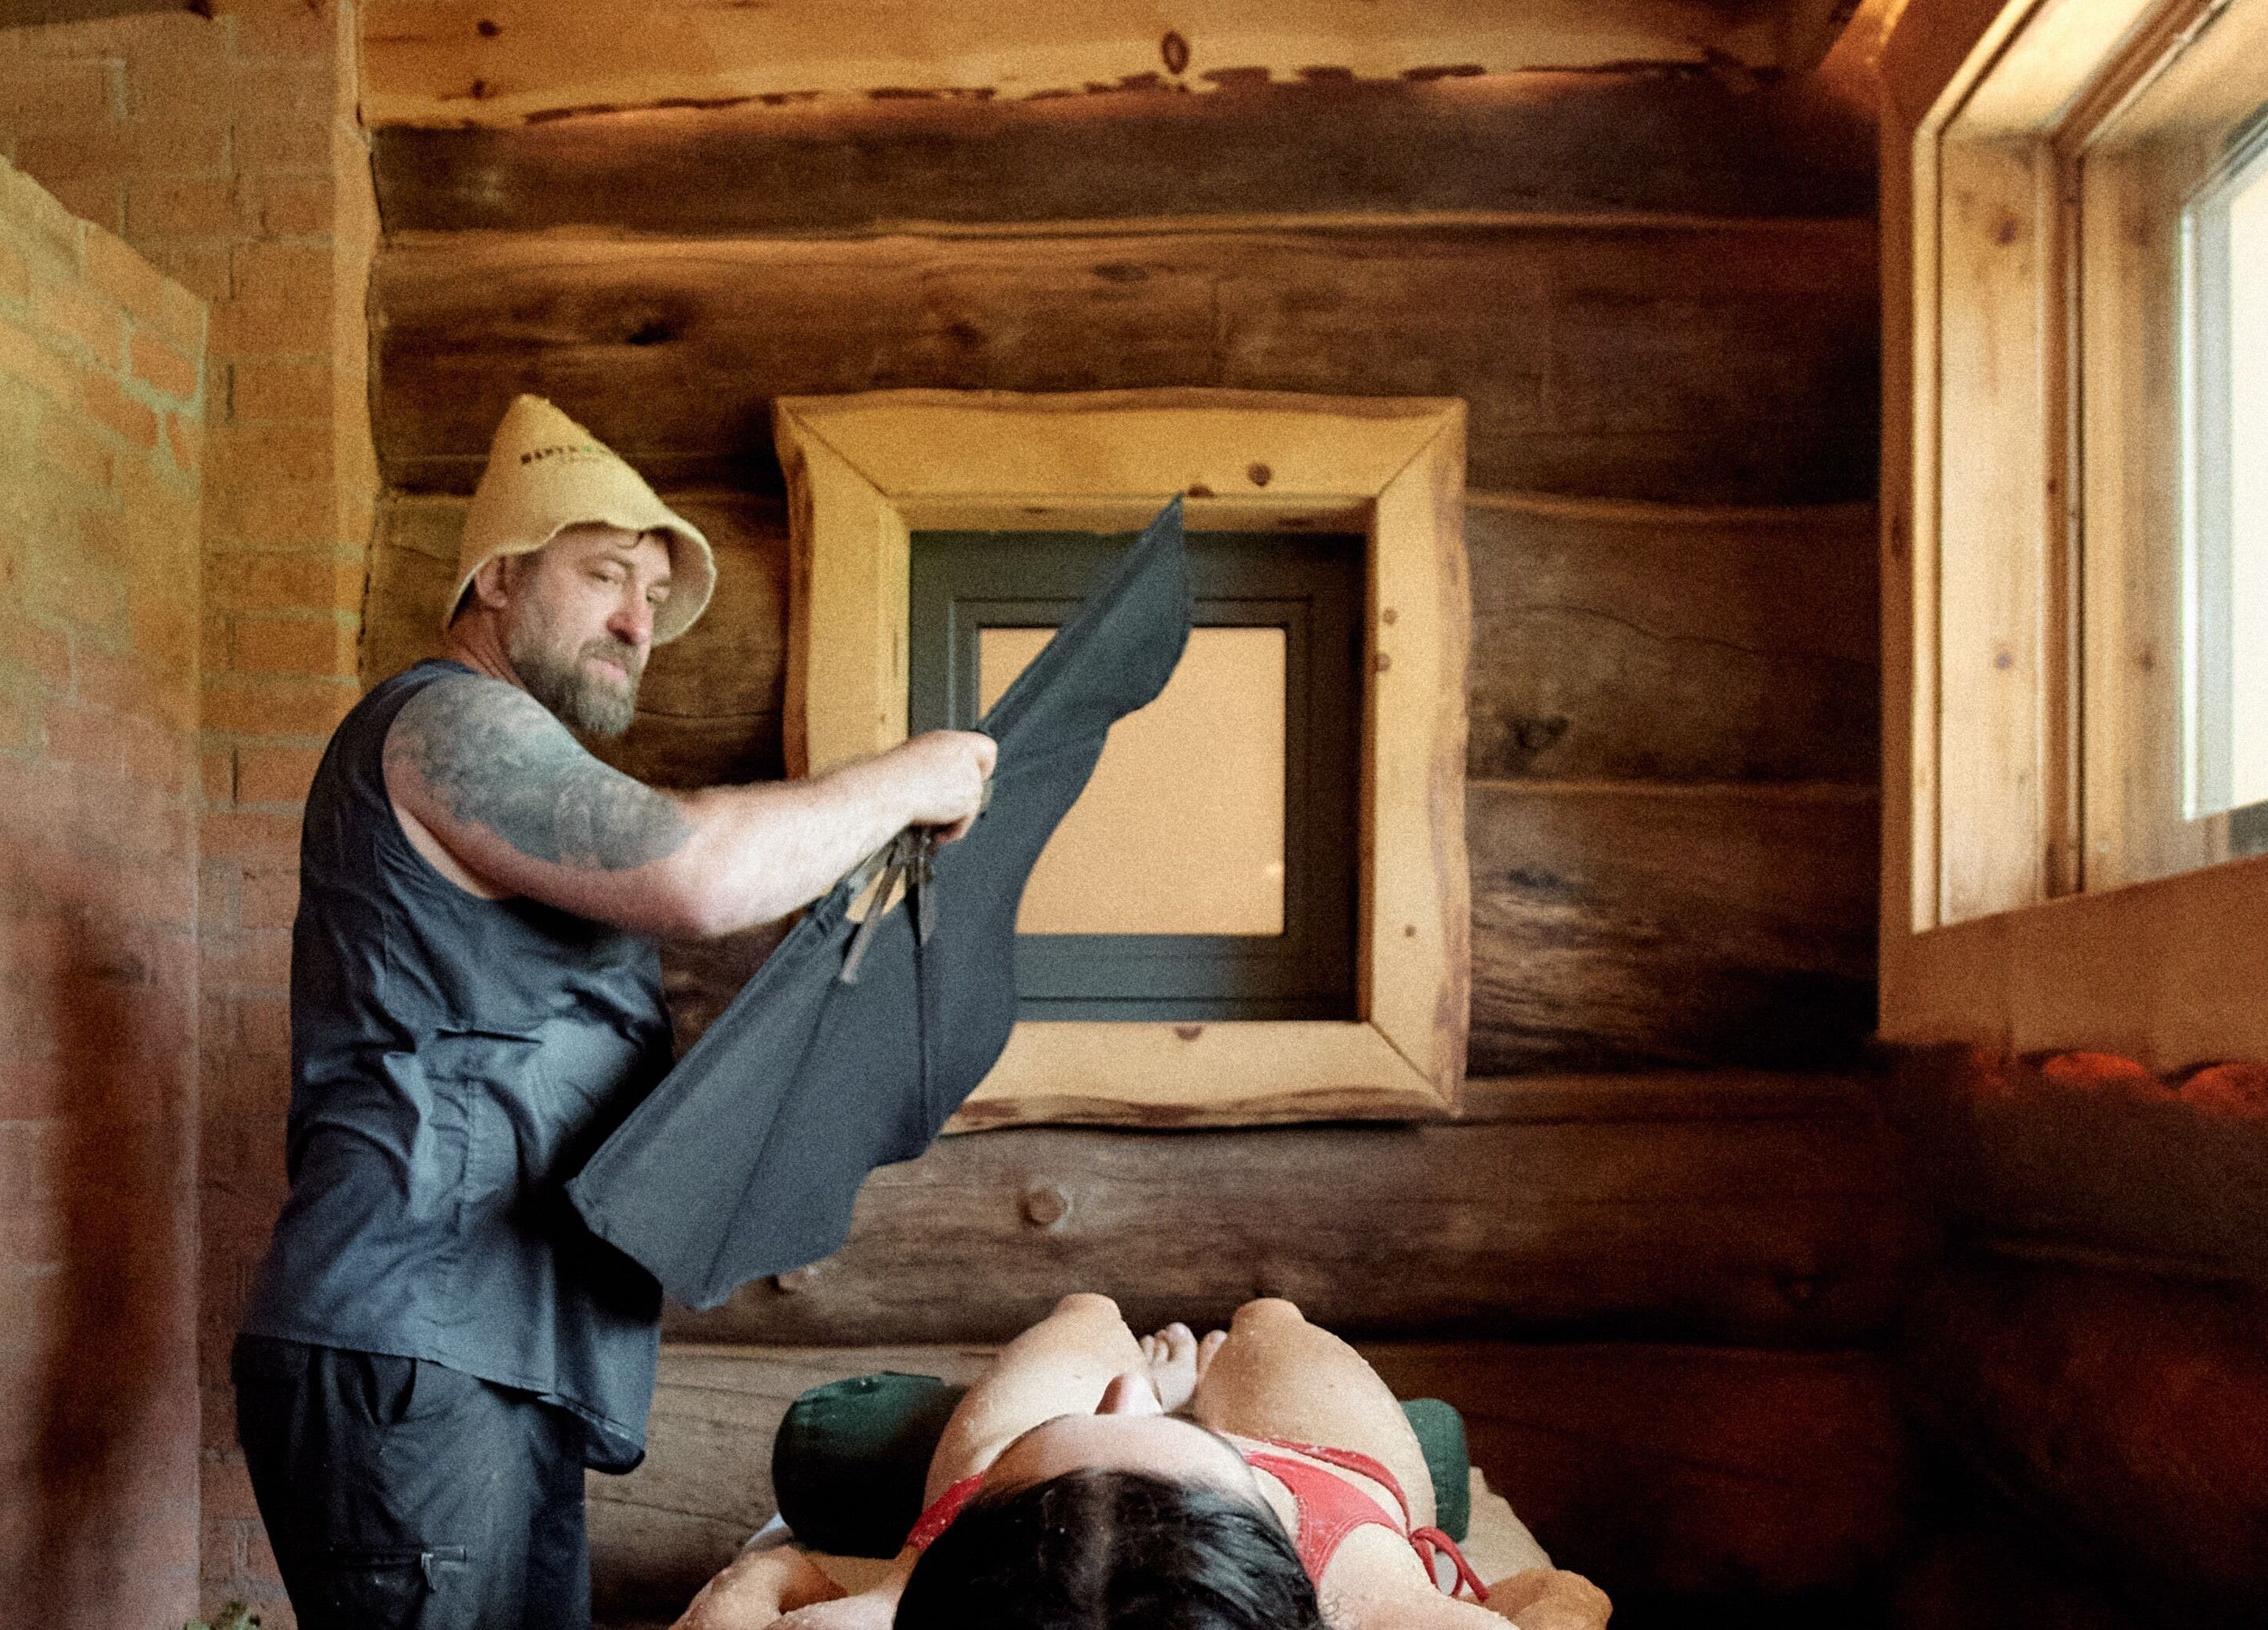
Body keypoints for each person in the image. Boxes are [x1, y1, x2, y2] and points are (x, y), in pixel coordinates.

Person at [228, 395, 998, 1630]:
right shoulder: (445, 721)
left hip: (488, 1354)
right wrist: (905, 780)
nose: (639, 623)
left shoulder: (511, 758)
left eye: (650, 597)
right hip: (418, 1350)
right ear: (493, 578)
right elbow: (693, 873)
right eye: (601, 577)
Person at [675, 1294, 1613, 1630]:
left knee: (1094, 1312)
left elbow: (771, 1570)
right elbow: (1561, 1593)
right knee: (1268, 1320)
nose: (1111, 1393)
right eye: (1125, 1401)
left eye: (1124, 1401)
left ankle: (1171, 1385)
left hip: (1029, 1479)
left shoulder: (884, 1618)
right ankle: (1203, 1381)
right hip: (1314, 1479)